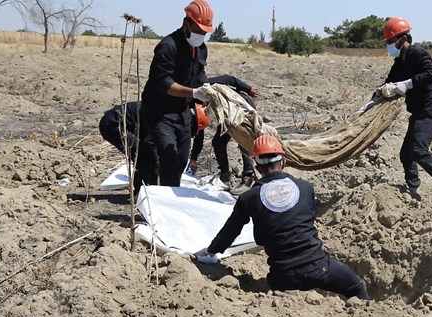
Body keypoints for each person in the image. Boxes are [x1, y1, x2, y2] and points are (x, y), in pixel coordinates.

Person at [194, 135, 369, 300]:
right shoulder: (305, 188)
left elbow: (229, 232)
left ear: (256, 165)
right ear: (283, 162)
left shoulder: (248, 198)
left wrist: (210, 251)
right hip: (318, 268)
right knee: (357, 287)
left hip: (283, 277)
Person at [361, 17, 432, 208]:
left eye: (391, 42)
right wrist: (371, 102)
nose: (389, 46)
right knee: (406, 155)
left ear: (403, 38)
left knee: (418, 150)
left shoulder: (418, 53)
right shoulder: (400, 62)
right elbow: (387, 84)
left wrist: (406, 84)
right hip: (417, 114)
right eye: (388, 42)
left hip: (430, 112)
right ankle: (412, 189)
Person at [140, 0, 214, 187]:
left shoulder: (201, 49)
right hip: (159, 112)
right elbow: (164, 83)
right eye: (197, 30)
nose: (200, 35)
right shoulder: (168, 46)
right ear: (186, 24)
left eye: (204, 32)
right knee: (169, 159)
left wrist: (211, 91)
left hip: (182, 112)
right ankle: (162, 205)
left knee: (181, 161)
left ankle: (158, 189)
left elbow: (199, 77)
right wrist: (194, 92)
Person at [188, 74, 260, 194]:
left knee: (243, 139)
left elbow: (228, 79)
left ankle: (248, 177)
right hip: (226, 113)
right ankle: (225, 175)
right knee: (218, 142)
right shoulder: (191, 107)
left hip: (240, 104)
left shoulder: (201, 87)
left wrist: (248, 88)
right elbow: (199, 134)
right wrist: (193, 159)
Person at [98, 101, 158, 191]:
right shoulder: (157, 115)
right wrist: (157, 165)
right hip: (113, 124)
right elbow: (149, 143)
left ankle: (151, 188)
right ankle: (142, 190)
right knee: (141, 154)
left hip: (127, 124)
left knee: (146, 154)